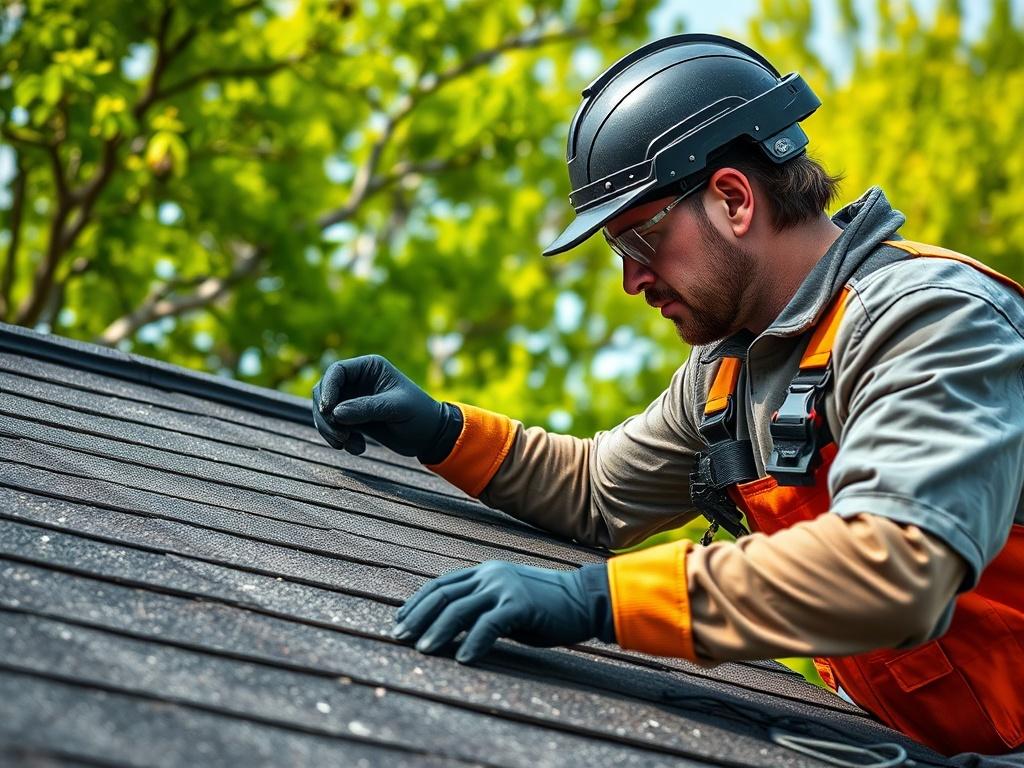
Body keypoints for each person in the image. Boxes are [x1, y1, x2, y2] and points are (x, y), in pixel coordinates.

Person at [312, 34, 1024, 756]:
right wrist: (439, 431)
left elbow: (896, 567)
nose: (631, 281)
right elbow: (598, 491)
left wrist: (598, 600)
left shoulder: (932, 320)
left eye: (640, 242)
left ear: (733, 199)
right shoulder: (731, 369)